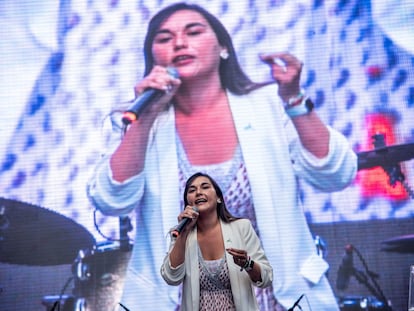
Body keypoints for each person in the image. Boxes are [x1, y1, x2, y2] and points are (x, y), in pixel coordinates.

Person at [87, 2, 357, 310]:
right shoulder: (140, 121)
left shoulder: (267, 105)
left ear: (224, 47)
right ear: (153, 59)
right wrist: (145, 120)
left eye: (194, 31)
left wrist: (294, 100)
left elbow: (336, 175)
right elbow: (111, 201)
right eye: (164, 38)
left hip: (272, 298)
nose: (179, 43)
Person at [160, 172, 273, 310]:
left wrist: (247, 263)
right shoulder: (180, 233)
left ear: (219, 197)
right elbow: (171, 278)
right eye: (192, 190)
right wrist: (183, 235)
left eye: (205, 187)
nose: (198, 192)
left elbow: (266, 278)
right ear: (188, 202)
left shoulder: (242, 227)